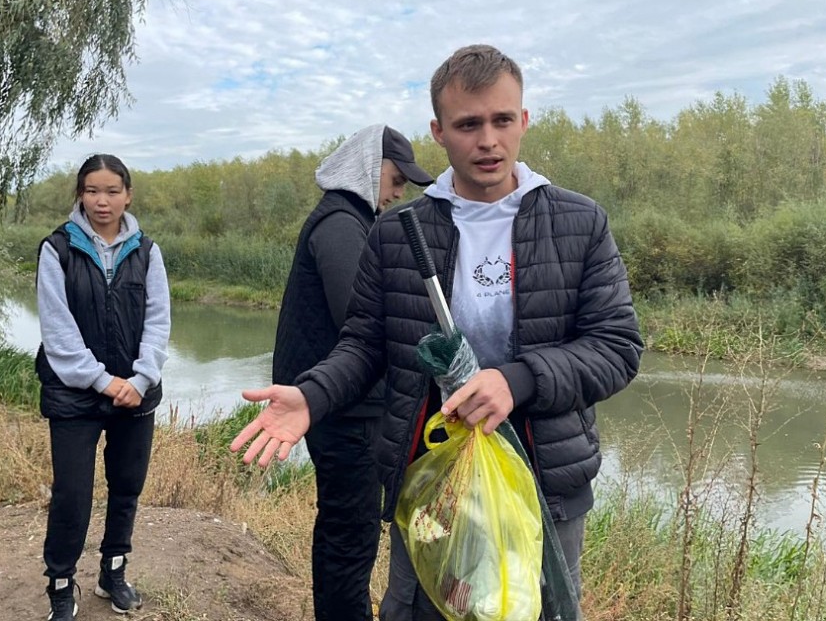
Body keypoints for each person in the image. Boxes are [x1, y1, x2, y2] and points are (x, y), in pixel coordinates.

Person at [231, 45, 643, 620]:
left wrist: (515, 381)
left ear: (524, 121)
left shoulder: (579, 223)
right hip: (428, 475)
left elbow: (616, 348)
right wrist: (311, 395)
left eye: (502, 121)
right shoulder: (400, 232)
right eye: (468, 124)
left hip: (547, 484)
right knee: (417, 608)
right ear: (439, 131)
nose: (488, 141)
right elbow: (365, 346)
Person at [272, 124, 433, 621]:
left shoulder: (348, 218)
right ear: (369, 167)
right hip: (345, 410)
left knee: (345, 527)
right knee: (351, 532)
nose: (401, 189)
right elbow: (360, 321)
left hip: (340, 404)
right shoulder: (343, 224)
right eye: (396, 175)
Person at [36, 154, 171, 621]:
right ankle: (59, 582)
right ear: (80, 194)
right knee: (73, 493)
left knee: (126, 487)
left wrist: (140, 378)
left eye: (112, 191)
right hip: (75, 396)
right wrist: (102, 380)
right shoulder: (58, 250)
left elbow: (158, 322)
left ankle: (113, 571)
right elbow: (57, 332)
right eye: (92, 190)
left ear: (128, 195)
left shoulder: (148, 251)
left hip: (136, 396)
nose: (102, 200)